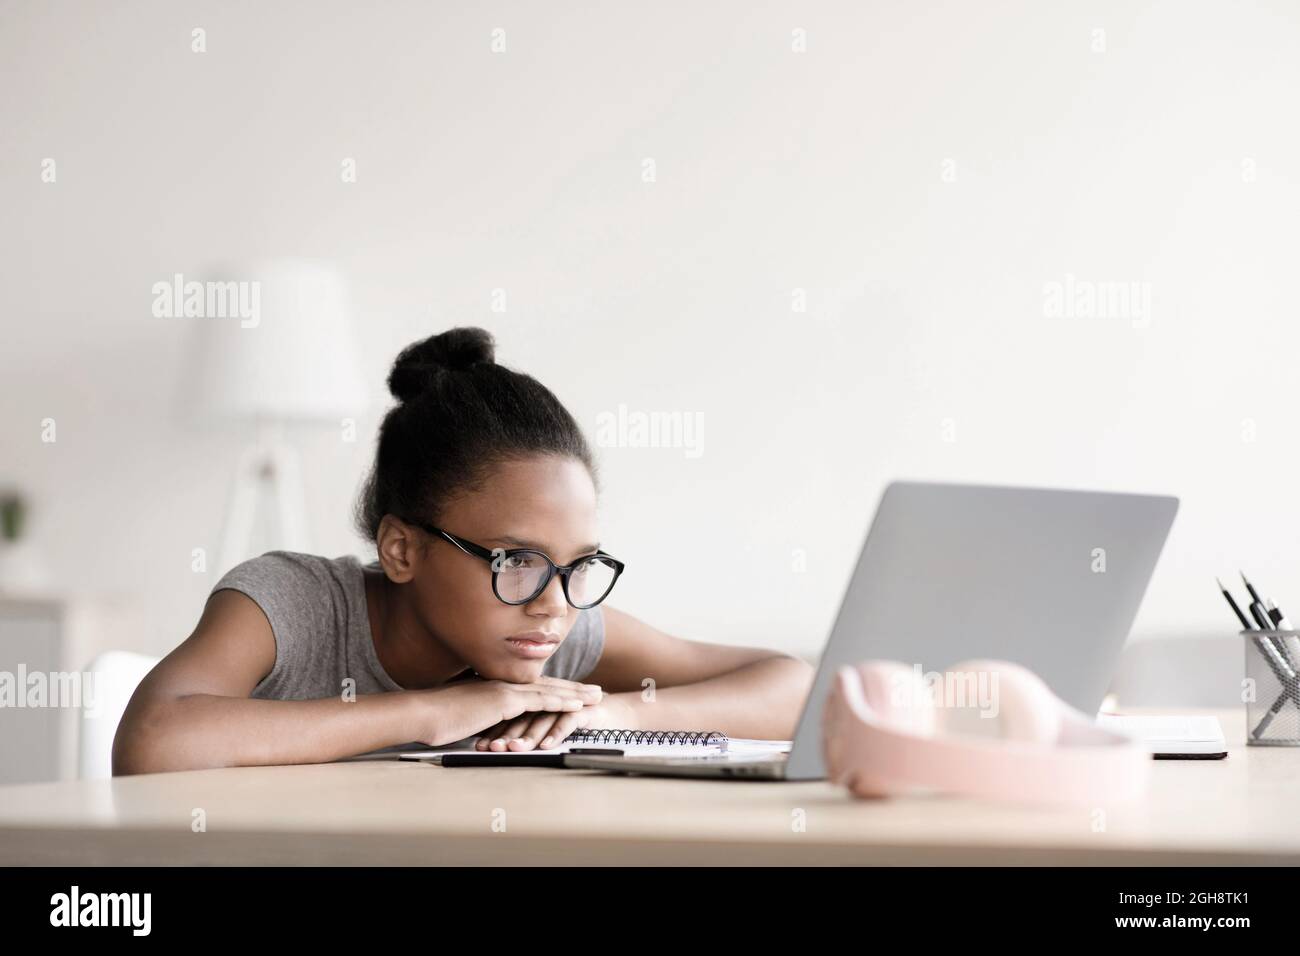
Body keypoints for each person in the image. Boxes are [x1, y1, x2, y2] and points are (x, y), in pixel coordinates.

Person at [114, 327, 814, 774]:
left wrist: (616, 715)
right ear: (401, 550)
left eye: (577, 567)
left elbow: (794, 688)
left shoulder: (551, 639)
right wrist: (433, 713)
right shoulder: (289, 605)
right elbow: (152, 742)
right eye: (518, 560)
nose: (553, 603)